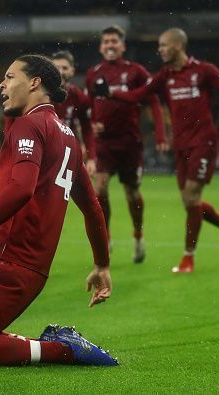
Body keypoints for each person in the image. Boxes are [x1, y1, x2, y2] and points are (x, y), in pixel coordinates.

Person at [0, 54, 117, 367]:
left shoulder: (29, 125)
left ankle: (63, 349)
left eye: (10, 77)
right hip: (14, 262)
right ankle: (50, 345)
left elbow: (21, 189)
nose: (2, 85)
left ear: (34, 82)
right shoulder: (69, 138)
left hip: (12, 264)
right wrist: (102, 264)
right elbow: (93, 207)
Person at [95, 28, 219, 273]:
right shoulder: (164, 77)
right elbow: (139, 95)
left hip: (204, 141)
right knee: (189, 201)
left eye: (163, 45)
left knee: (191, 197)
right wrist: (111, 93)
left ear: (178, 46)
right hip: (181, 145)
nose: (159, 49)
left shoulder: (203, 70)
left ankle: (188, 257)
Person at [85, 25, 167, 264]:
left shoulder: (135, 71)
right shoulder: (93, 73)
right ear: (101, 47)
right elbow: (88, 106)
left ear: (122, 46)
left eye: (114, 41)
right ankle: (106, 237)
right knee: (99, 189)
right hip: (104, 145)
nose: (110, 45)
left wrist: (161, 134)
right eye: (106, 41)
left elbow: (153, 100)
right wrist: (92, 124)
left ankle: (138, 235)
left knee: (131, 193)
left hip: (130, 143)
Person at [51, 50, 97, 176]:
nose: (60, 71)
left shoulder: (80, 98)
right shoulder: (37, 94)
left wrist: (92, 159)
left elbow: (87, 129)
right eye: (56, 68)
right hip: (40, 151)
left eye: (64, 68)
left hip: (65, 153)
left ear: (72, 71)